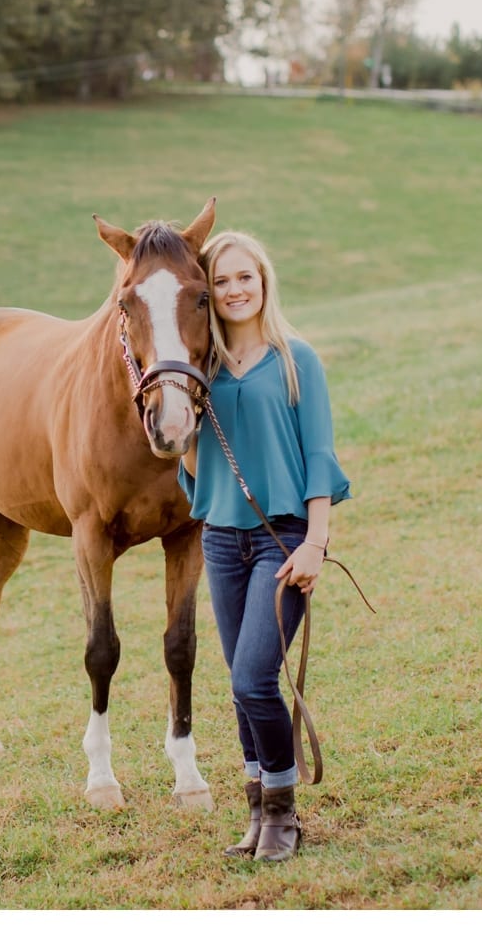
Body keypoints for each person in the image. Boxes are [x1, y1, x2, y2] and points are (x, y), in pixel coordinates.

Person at [180, 230, 352, 862]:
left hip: (282, 541)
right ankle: (257, 811)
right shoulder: (206, 368)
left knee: (255, 678)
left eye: (243, 277)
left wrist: (315, 544)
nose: (233, 290)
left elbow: (319, 456)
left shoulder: (296, 358)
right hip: (222, 540)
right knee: (237, 682)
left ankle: (283, 811)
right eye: (220, 281)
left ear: (263, 281)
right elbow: (196, 469)